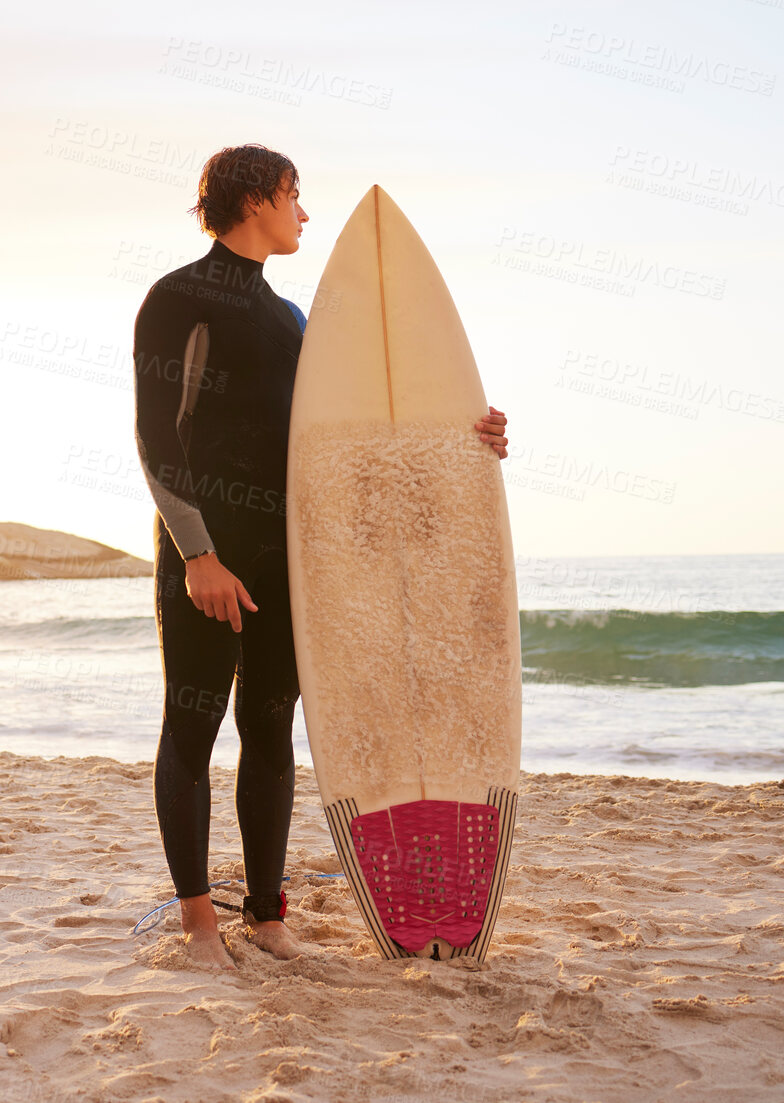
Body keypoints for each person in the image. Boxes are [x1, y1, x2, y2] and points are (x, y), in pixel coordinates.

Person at [131, 144, 510, 970]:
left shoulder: (294, 320)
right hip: (207, 558)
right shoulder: (177, 297)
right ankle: (200, 925)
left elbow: (348, 444)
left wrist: (468, 437)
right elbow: (157, 438)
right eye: (296, 196)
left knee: (270, 730)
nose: (305, 213)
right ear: (258, 197)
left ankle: (267, 918)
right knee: (191, 727)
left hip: (287, 559)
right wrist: (198, 554)